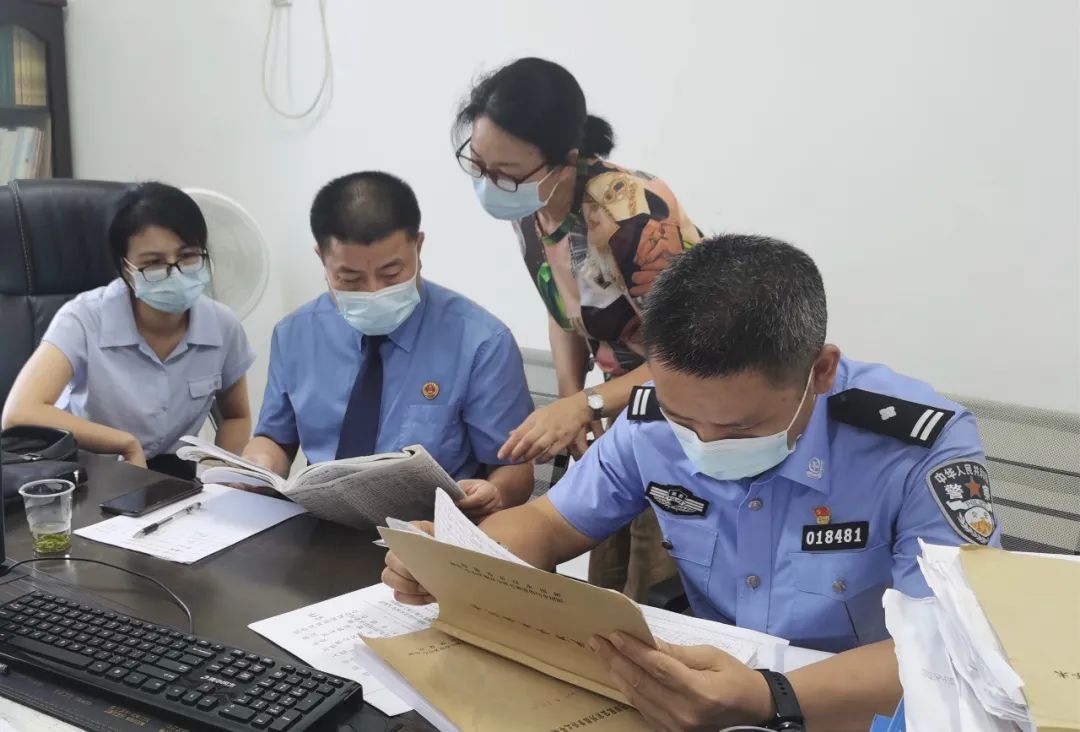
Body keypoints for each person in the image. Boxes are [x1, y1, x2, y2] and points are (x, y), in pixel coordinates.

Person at [384, 235, 1001, 731]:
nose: (704, 444)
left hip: (851, 707)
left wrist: (770, 697)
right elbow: (548, 524)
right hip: (695, 692)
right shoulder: (651, 419)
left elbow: (956, 651)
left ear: (819, 371)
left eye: (740, 427)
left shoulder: (916, 447)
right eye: (684, 420)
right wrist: (457, 559)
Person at [455, 56, 702, 598]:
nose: (490, 185)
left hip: (688, 415)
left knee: (653, 586)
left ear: (563, 163)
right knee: (602, 579)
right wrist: (572, 403)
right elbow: (565, 308)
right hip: (618, 407)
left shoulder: (633, 216)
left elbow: (693, 360)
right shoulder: (530, 204)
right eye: (478, 164)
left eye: (505, 173)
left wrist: (584, 406)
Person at [242, 171, 535, 517]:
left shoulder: (481, 342)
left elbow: (515, 471)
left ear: (419, 247)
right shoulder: (295, 334)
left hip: (429, 529)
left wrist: (496, 492)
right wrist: (259, 464)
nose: (373, 291)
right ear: (321, 258)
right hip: (323, 522)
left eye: (391, 274)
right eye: (349, 278)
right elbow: (276, 438)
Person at [1, 182, 255, 479]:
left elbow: (236, 416)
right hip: (94, 470)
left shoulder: (223, 325)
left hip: (176, 476)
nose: (174, 272)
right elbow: (20, 412)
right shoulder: (83, 318)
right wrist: (124, 443)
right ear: (125, 269)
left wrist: (219, 479)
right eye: (153, 264)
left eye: (188, 256)